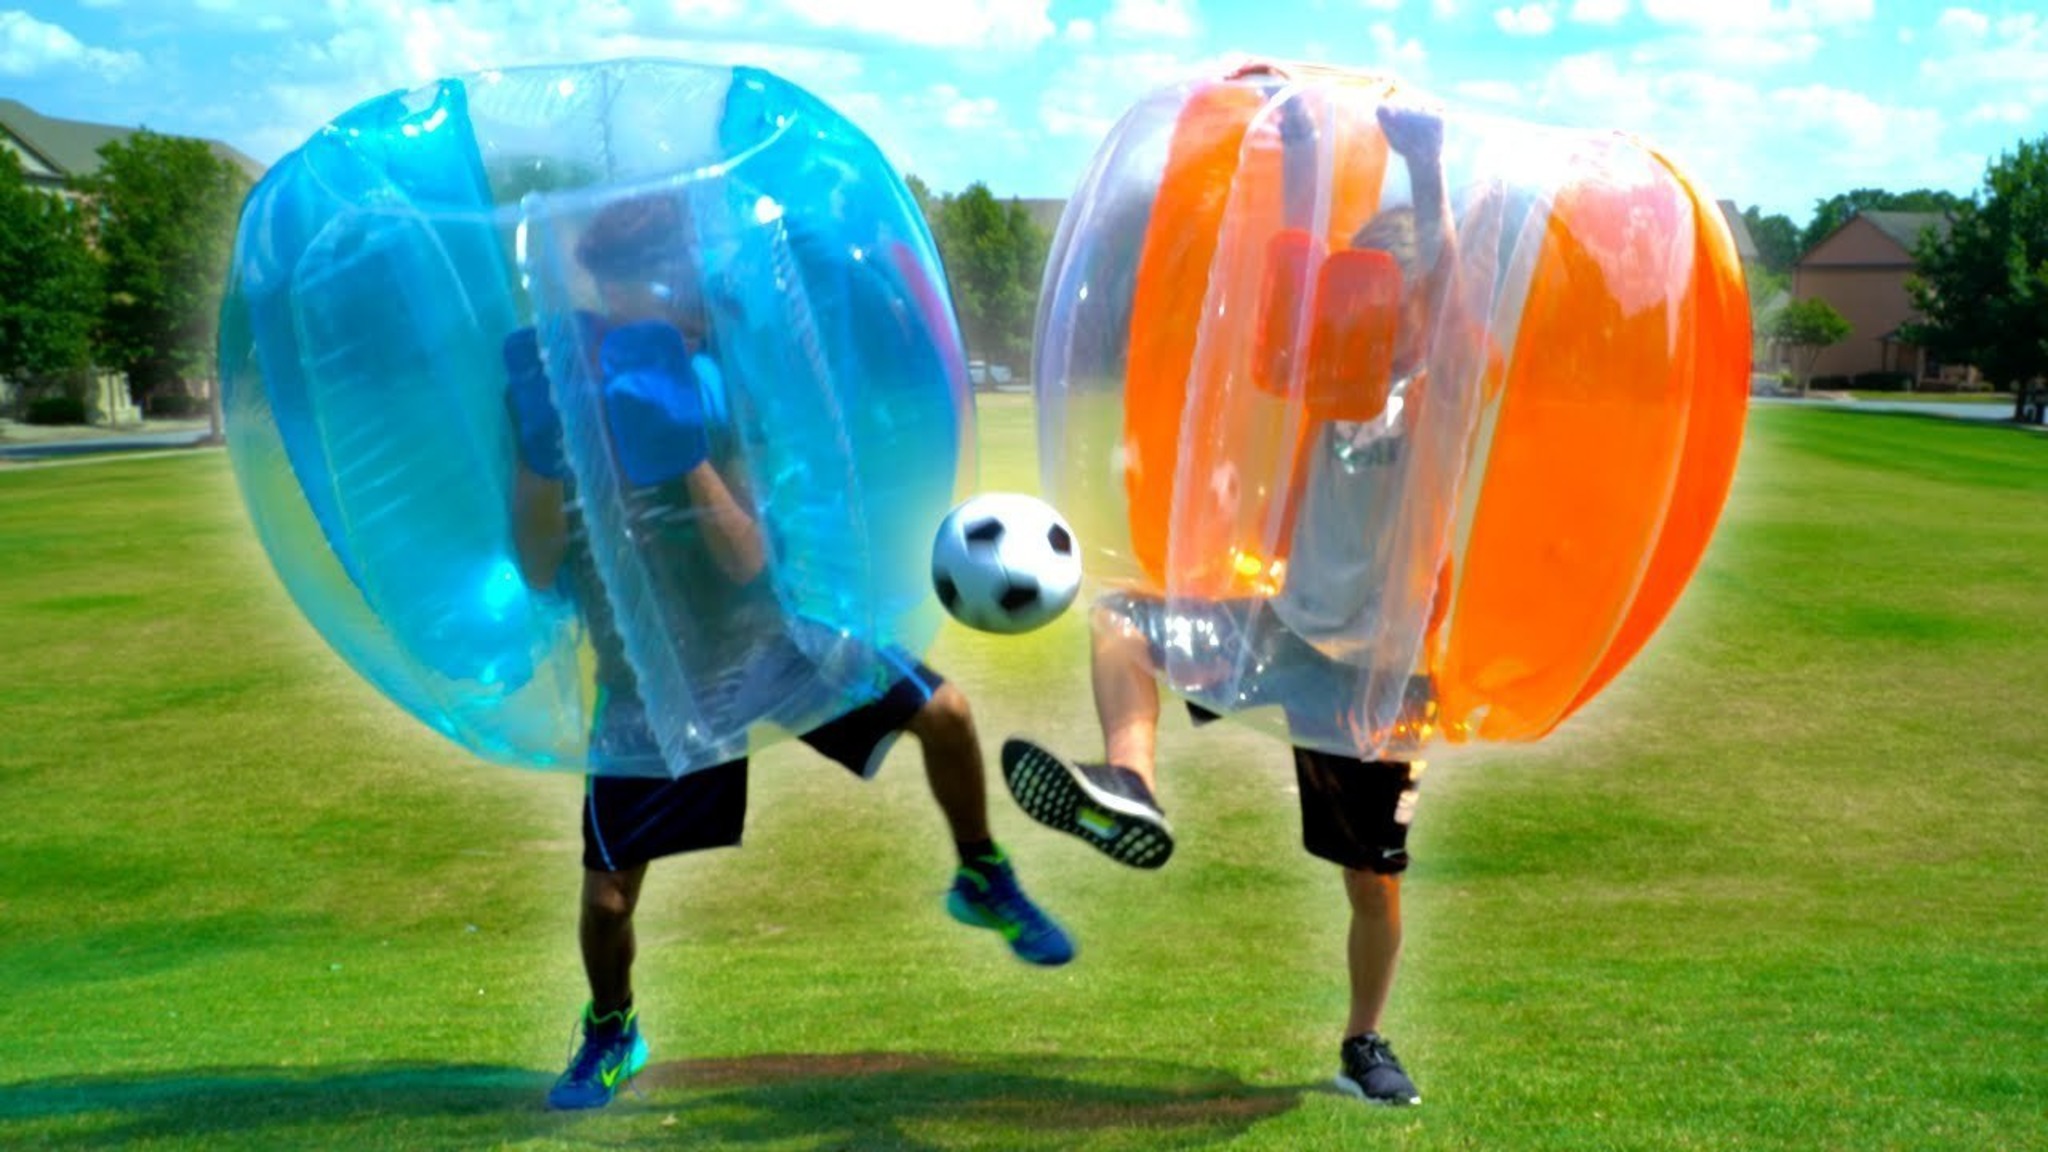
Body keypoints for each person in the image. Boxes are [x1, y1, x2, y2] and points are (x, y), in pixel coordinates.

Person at [507, 191, 1074, 1112]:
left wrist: (680, 451)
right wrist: (543, 451)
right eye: (629, 285)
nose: (659, 301)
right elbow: (536, 566)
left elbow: (745, 558)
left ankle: (981, 872)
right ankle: (613, 1029)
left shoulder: (724, 385)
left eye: (660, 282)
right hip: (652, 679)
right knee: (609, 904)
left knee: (946, 714)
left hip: (768, 643)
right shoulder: (560, 395)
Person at [1002, 94, 1456, 1107]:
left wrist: (1424, 171)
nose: (1375, 315)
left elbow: (1457, 319)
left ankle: (1363, 1043)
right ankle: (1130, 782)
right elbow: (1290, 291)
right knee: (1120, 618)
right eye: (1367, 295)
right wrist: (1297, 156)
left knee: (1369, 881)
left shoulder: (1440, 405)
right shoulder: (1328, 382)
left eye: (1395, 298)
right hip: (1282, 631)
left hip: (1375, 677)